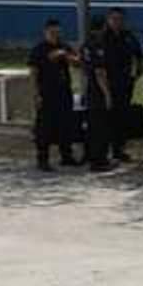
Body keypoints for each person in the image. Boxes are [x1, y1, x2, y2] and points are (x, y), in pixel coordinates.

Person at [28, 19, 82, 171]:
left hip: (64, 91)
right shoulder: (39, 49)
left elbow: (78, 63)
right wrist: (36, 94)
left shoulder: (64, 47)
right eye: (52, 33)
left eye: (58, 33)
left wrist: (66, 56)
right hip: (46, 93)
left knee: (66, 124)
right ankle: (42, 158)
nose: (55, 36)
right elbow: (33, 73)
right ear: (46, 32)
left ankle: (66, 155)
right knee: (44, 126)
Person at [97, 8, 142, 163]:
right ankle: (102, 152)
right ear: (108, 20)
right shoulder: (102, 38)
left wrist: (136, 74)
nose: (117, 22)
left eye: (120, 19)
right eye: (114, 19)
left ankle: (119, 150)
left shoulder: (129, 37)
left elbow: (139, 56)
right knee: (106, 119)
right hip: (106, 85)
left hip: (125, 84)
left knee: (122, 118)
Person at [82, 20, 121, 172]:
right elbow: (100, 73)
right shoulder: (97, 46)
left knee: (93, 127)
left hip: (90, 89)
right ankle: (100, 161)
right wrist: (107, 95)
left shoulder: (85, 45)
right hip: (98, 92)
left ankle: (92, 157)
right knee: (101, 127)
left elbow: (85, 70)